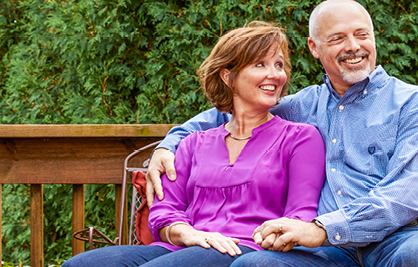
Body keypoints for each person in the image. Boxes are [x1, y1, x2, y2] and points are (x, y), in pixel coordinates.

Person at [145, 1, 418, 266]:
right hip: (333, 251)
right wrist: (168, 145)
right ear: (314, 47)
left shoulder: (416, 105)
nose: (354, 47)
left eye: (362, 35)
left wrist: (323, 228)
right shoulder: (303, 106)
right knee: (255, 265)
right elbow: (230, 111)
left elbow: (407, 195)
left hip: (408, 235)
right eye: (338, 38)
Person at [62, 21, 326, 267]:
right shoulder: (193, 143)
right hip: (186, 246)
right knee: (80, 264)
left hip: (248, 252)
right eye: (260, 64)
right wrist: (186, 233)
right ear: (227, 76)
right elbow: (165, 211)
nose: (275, 75)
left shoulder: (300, 138)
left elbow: (299, 215)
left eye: (279, 65)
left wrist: (274, 236)